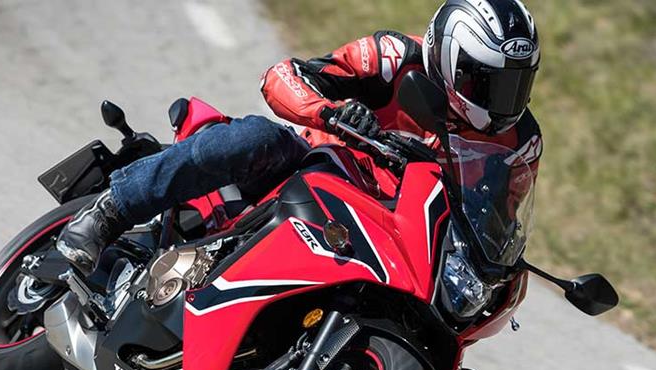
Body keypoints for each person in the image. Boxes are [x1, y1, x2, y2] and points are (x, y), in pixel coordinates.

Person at [56, 0, 544, 275]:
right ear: (449, 59)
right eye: (488, 82)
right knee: (255, 139)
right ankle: (110, 212)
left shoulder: (519, 142)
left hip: (393, 235)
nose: (503, 100)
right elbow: (284, 76)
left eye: (516, 84)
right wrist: (332, 113)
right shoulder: (391, 58)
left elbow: (497, 221)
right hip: (314, 167)